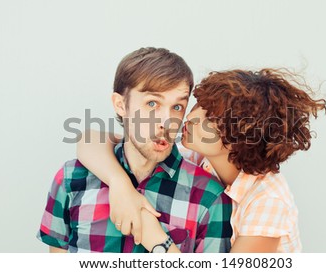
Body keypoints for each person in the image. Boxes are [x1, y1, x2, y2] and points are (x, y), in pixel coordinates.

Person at [78, 68, 326, 252]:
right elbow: (90, 140)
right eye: (200, 105)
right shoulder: (199, 157)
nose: (191, 116)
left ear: (237, 139)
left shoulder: (268, 201)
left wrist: (150, 231)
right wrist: (120, 184)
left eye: (209, 118)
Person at [37, 47, 233, 253]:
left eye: (177, 107)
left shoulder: (210, 197)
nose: (167, 122)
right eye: (152, 103)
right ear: (121, 105)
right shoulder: (70, 179)